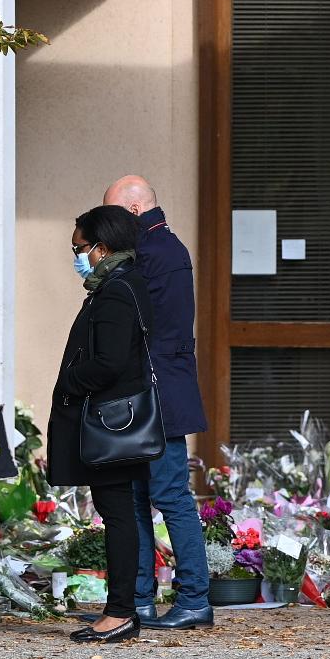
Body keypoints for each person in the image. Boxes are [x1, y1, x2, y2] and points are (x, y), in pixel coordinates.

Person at [101, 174, 212, 630]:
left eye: (110, 218)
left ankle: (193, 599)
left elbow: (139, 326)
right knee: (138, 497)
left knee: (168, 496)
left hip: (156, 395)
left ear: (131, 212)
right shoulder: (162, 248)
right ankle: (139, 599)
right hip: (155, 391)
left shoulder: (152, 254)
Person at [47, 205, 153, 644]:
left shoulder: (115, 291)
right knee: (120, 512)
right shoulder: (122, 285)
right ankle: (122, 609)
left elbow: (108, 362)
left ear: (102, 248)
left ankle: (120, 612)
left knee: (118, 515)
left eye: (79, 248)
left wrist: (69, 380)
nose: (76, 257)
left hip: (109, 423)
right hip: (114, 421)